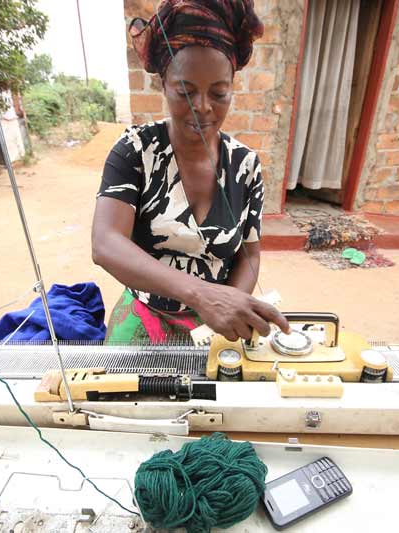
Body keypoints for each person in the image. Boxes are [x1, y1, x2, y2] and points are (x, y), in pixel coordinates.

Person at [92, 0, 289, 343]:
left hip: (217, 329)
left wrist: (232, 305)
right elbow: (106, 242)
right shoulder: (136, 151)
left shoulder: (245, 166)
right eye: (185, 91)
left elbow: (250, 254)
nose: (202, 107)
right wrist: (202, 295)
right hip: (144, 320)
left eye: (219, 93)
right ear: (163, 84)